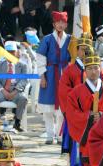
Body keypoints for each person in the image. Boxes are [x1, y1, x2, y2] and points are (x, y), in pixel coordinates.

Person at [36, 11, 71, 145]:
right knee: (47, 108)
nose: (61, 25)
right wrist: (42, 76)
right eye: (58, 22)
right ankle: (50, 135)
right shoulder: (47, 39)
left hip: (65, 75)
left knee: (62, 109)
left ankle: (60, 135)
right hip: (50, 74)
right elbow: (40, 58)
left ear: (66, 24)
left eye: (63, 22)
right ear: (54, 24)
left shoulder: (70, 39)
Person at [0, 41, 29, 132]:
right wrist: (3, 90)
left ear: (16, 52)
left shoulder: (22, 65)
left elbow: (24, 80)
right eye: (8, 52)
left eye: (12, 52)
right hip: (2, 91)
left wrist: (15, 91)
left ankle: (17, 122)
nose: (10, 54)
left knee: (23, 99)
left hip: (15, 91)